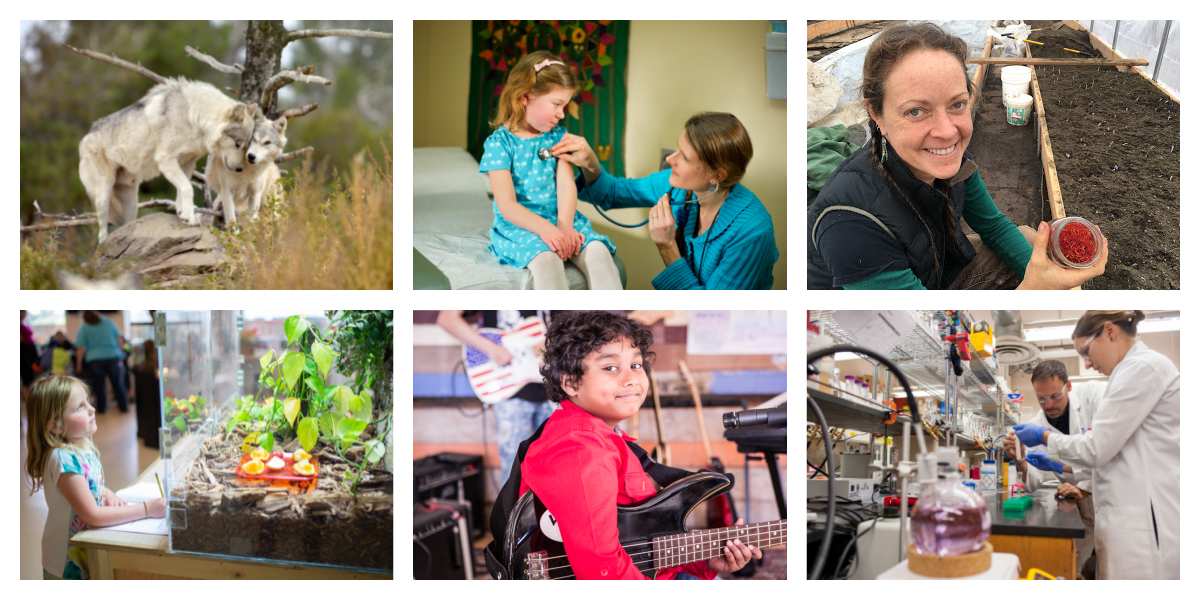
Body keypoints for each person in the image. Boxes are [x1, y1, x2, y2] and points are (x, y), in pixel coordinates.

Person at [807, 22, 1108, 290]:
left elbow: (994, 226)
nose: (948, 131)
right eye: (916, 111)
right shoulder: (851, 224)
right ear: (877, 114)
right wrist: (1035, 291)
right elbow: (925, 327)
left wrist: (1045, 279)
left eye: (957, 104)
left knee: (1029, 241)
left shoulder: (952, 162)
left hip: (938, 273)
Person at [513, 311, 759, 579]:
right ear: (571, 382)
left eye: (636, 365)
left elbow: (640, 541)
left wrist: (706, 563)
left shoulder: (603, 438)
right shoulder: (581, 450)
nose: (630, 378)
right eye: (610, 368)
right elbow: (601, 568)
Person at [1012, 311, 1178, 579]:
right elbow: (1112, 453)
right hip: (1125, 510)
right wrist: (1056, 465)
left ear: (1110, 332)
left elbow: (1097, 448)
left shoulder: (1142, 369)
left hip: (1143, 518)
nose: (1087, 364)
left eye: (1087, 352)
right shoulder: (1129, 372)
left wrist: (1045, 438)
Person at [551, 113, 778, 290]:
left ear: (716, 175)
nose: (670, 159)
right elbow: (611, 192)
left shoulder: (751, 232)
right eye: (677, 149)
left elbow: (712, 309)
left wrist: (667, 247)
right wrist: (590, 162)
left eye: (684, 157)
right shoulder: (675, 186)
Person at [480, 50, 622, 290]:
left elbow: (566, 187)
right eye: (556, 104)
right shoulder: (499, 145)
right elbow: (507, 205)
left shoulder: (558, 136)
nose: (561, 113)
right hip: (522, 226)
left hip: (563, 219)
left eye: (565, 105)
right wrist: (548, 232)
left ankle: (609, 318)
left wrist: (564, 226)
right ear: (525, 97)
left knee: (598, 253)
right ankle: (563, 324)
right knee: (547, 260)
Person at [25, 375, 166, 579]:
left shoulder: (82, 447)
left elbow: (84, 486)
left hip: (85, 546)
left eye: (88, 402)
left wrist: (103, 491)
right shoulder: (63, 459)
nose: (92, 409)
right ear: (55, 425)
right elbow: (93, 515)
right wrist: (147, 509)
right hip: (66, 564)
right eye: (80, 407)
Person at [1003, 360, 1104, 578]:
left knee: (1113, 568)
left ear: (1068, 386)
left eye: (1055, 396)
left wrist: (1071, 473)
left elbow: (1102, 451)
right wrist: (1020, 460)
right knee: (1074, 565)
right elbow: (1034, 481)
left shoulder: (1092, 397)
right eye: (1041, 399)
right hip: (1080, 502)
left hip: (1108, 495)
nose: (1048, 405)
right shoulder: (1036, 425)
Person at [436, 310, 556, 485]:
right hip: (509, 388)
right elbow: (447, 318)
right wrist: (492, 350)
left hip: (554, 390)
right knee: (514, 474)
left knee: (554, 472)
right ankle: (511, 513)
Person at [74, 311, 128, 413]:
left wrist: (78, 365)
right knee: (118, 384)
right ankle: (123, 408)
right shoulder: (109, 323)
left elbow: (80, 349)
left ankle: (102, 410)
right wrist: (121, 353)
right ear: (97, 314)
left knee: (99, 387)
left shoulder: (84, 327)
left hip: (95, 360)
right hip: (113, 357)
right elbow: (120, 339)